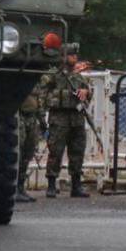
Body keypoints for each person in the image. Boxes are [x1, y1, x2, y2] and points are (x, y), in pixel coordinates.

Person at [37, 41, 92, 198]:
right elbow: (42, 95)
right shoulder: (53, 75)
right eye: (70, 55)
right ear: (63, 57)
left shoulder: (80, 78)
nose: (74, 57)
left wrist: (85, 92)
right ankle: (52, 185)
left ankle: (76, 185)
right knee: (55, 152)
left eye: (75, 55)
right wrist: (64, 96)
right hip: (59, 118)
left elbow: (88, 95)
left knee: (77, 152)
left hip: (77, 118)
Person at [15, 92, 46, 203]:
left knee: (27, 153)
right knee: (19, 151)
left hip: (32, 118)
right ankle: (14, 189)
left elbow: (38, 100)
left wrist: (42, 120)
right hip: (20, 116)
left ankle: (20, 187)